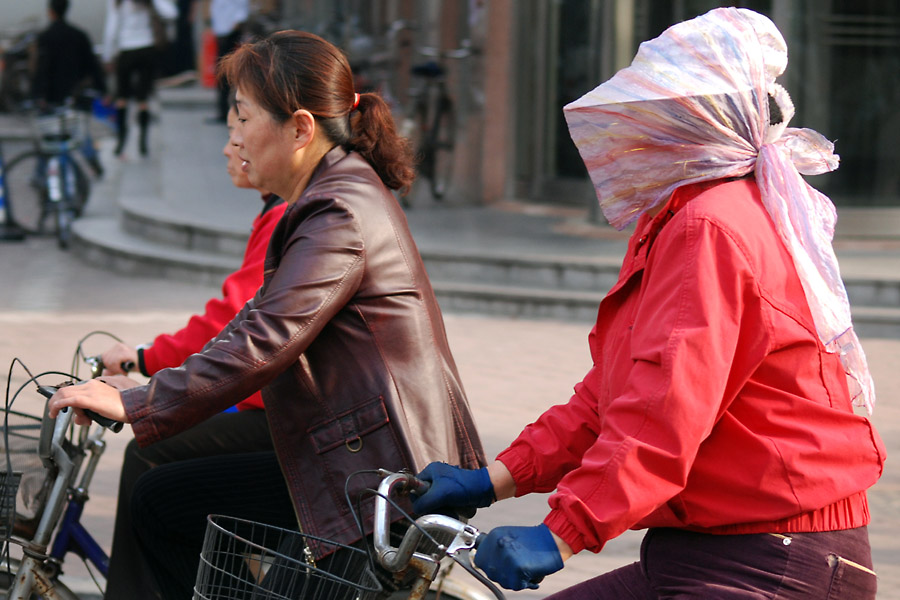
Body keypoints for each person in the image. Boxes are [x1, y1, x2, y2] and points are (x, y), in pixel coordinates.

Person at [411, 8, 886, 599]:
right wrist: (496, 479)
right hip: (725, 549)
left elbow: (665, 409)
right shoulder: (697, 213)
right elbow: (618, 392)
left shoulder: (709, 224)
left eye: (652, 118)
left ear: (694, 126)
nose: (634, 138)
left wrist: (563, 532)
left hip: (771, 557)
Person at [48, 30, 485, 599]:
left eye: (243, 117)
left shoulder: (338, 211)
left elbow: (266, 338)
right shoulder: (327, 196)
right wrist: (150, 383)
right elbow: (255, 320)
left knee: (172, 501)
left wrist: (139, 401)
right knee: (160, 501)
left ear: (300, 129)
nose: (233, 137)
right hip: (350, 454)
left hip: (380, 478)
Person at [98, 103, 286, 599]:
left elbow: (233, 323)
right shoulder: (289, 212)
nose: (229, 148)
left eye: (240, 129)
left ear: (296, 132)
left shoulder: (299, 215)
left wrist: (147, 376)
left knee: (152, 458)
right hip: (278, 405)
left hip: (294, 419)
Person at [32, 0, 108, 176]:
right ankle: (92, 160)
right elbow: (93, 66)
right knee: (78, 133)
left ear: (50, 12)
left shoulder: (45, 37)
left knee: (48, 136)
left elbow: (41, 70)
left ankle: (40, 175)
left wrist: (37, 95)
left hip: (51, 96)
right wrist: (102, 90)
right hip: (75, 95)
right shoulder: (79, 35)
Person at [102, 0, 178, 157]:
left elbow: (111, 27)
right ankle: (143, 141)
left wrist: (107, 55)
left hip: (126, 48)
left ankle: (122, 140)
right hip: (147, 47)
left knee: (122, 97)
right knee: (143, 98)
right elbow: (171, 13)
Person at [207, 0, 248, 123]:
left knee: (227, 71)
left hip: (230, 30)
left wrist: (237, 23)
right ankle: (223, 110)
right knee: (221, 71)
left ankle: (229, 110)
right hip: (221, 29)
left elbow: (242, 7)